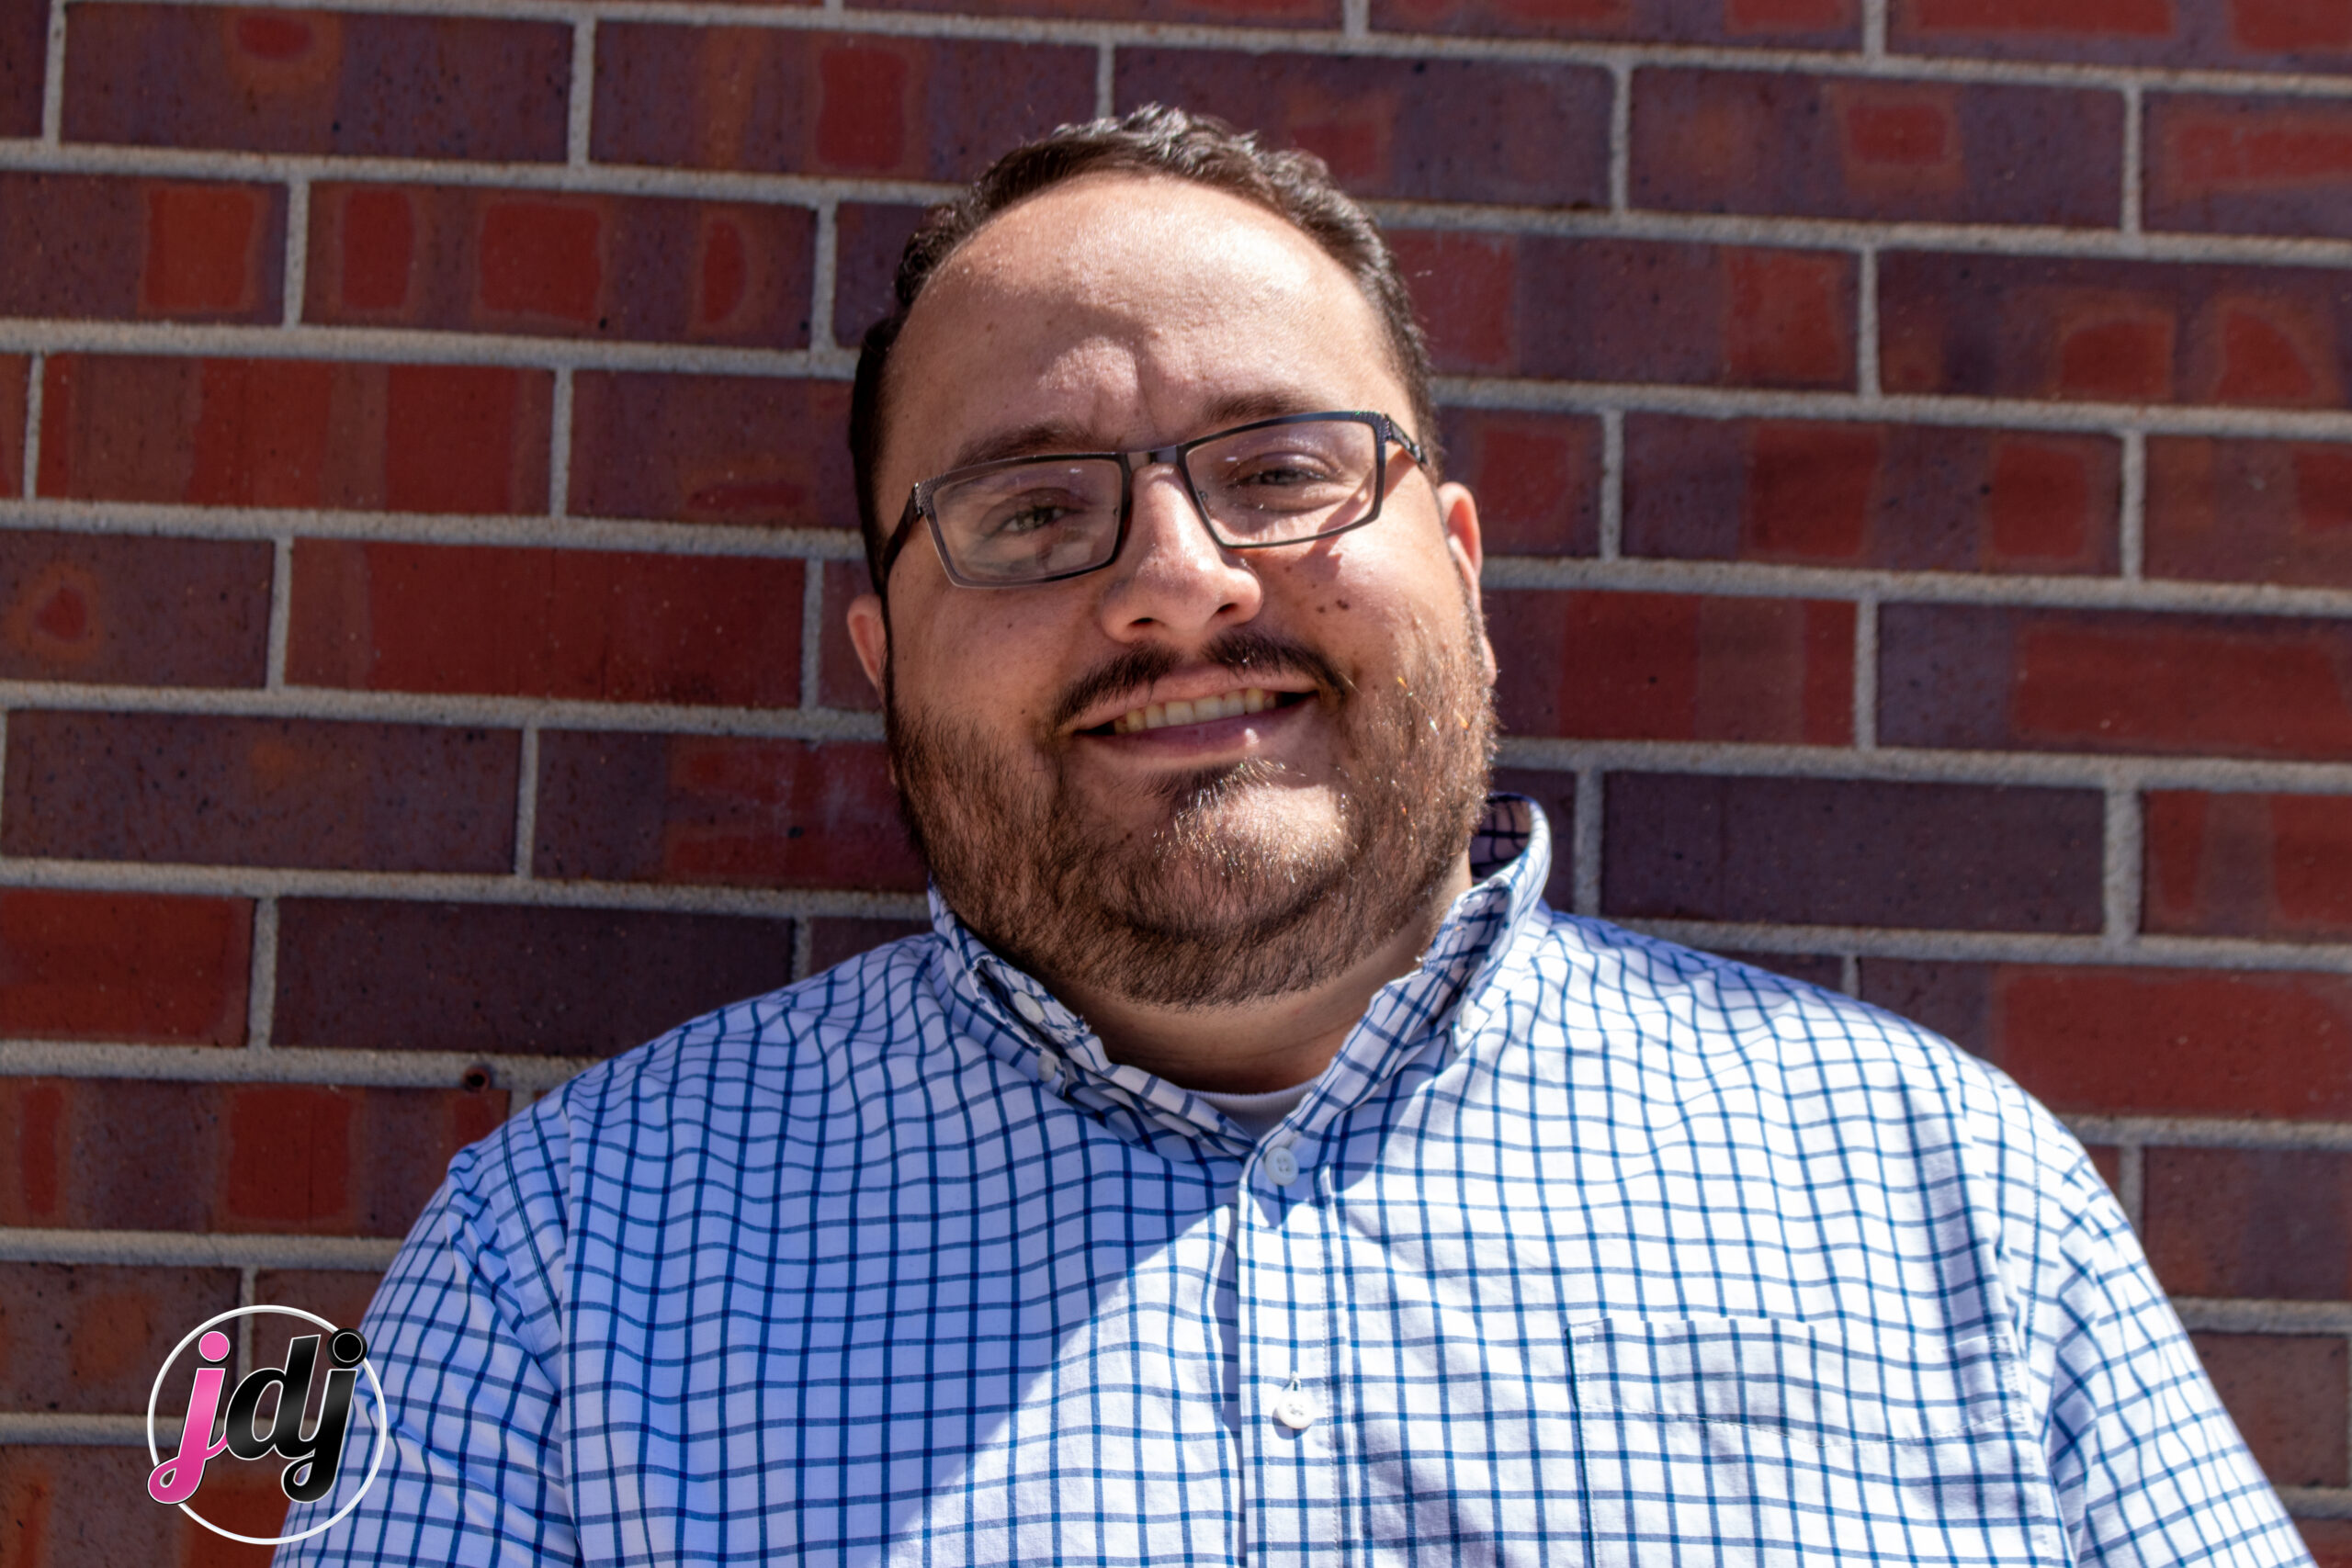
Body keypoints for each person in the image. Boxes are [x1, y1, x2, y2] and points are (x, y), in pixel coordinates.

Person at [278, 107, 2307, 1566]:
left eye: (1278, 469)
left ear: (1454, 558)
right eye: (1034, 509)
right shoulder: (562, 1269)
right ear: (882, 653)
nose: (1174, 580)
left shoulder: (1943, 1199)